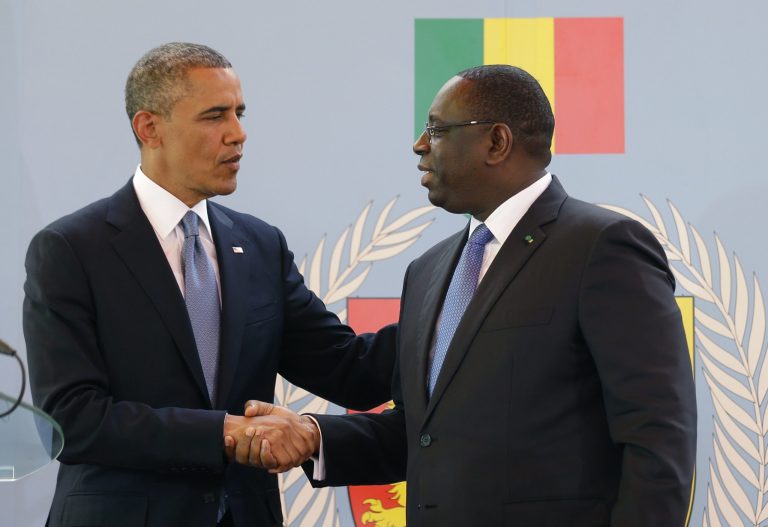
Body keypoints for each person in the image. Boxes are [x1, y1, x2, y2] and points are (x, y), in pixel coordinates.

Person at [238, 65, 697, 526]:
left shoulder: (602, 246)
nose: (419, 145)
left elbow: (657, 434)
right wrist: (313, 437)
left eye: (437, 130)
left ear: (496, 142)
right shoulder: (429, 270)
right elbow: (425, 434)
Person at [23, 42, 395, 527]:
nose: (238, 134)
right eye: (215, 116)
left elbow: (350, 371)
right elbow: (71, 419)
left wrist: (454, 319)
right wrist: (222, 432)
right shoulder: (71, 249)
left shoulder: (260, 245)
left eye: (239, 113)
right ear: (149, 128)